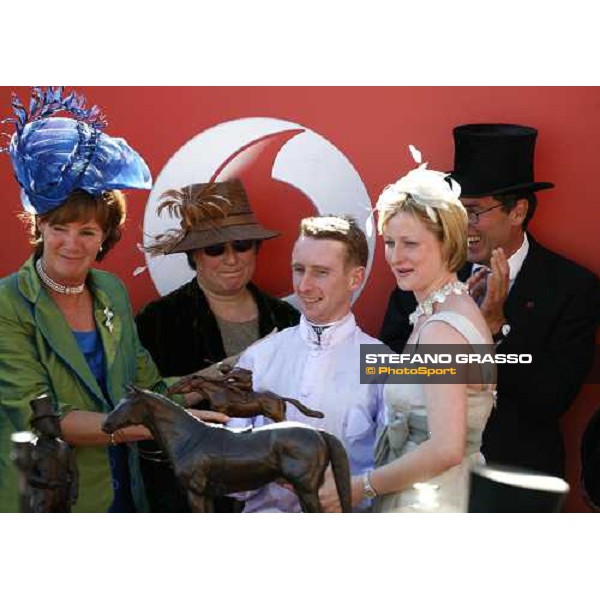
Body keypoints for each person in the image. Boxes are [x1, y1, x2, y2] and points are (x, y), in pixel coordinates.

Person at [0, 87, 222, 513]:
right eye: (60, 228)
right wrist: (155, 425)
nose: (72, 243)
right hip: (45, 498)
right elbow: (42, 419)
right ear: (40, 226)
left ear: (105, 237)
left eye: (87, 232)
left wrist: (218, 378)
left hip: (120, 493)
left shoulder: (111, 291)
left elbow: (146, 389)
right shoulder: (9, 302)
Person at [380, 125, 600, 478]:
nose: (463, 225)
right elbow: (381, 368)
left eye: (475, 211)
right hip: (425, 480)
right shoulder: (424, 273)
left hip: (516, 483)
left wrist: (495, 331)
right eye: (456, 211)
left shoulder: (573, 288)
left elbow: (553, 399)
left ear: (518, 211)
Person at [135, 179, 300, 511]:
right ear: (195, 255)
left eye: (241, 245)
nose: (231, 258)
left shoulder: (288, 318)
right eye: (215, 248)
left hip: (279, 497)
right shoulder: (157, 321)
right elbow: (145, 411)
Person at [356, 148, 495, 513]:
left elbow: (446, 448)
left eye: (411, 243)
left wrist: (361, 487)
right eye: (390, 242)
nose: (395, 256)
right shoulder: (440, 313)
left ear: (446, 243)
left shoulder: (442, 331)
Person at [229, 214, 384, 512]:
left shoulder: (381, 364)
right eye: (299, 270)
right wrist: (266, 470)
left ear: (356, 278)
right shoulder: (258, 358)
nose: (304, 286)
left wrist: (349, 489)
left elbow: (399, 471)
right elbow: (228, 479)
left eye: (321, 272)